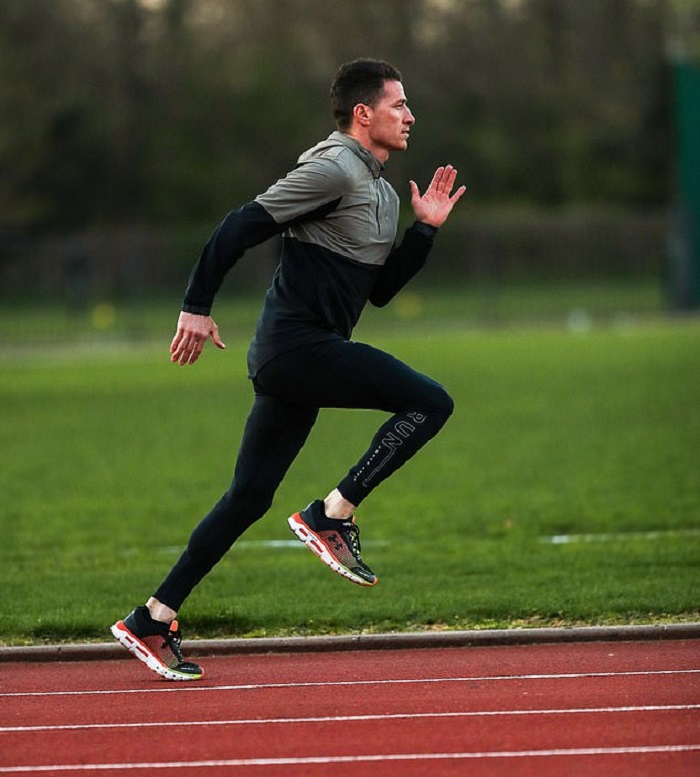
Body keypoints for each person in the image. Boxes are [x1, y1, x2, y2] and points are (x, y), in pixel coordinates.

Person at [111, 58, 466, 681]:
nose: (410, 116)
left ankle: (151, 617)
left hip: (300, 358)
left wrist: (426, 233)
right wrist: (196, 307)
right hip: (297, 349)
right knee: (431, 403)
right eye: (398, 105)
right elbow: (237, 226)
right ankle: (331, 514)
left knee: (247, 497)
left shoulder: (381, 192)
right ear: (364, 113)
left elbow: (377, 293)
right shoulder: (331, 168)